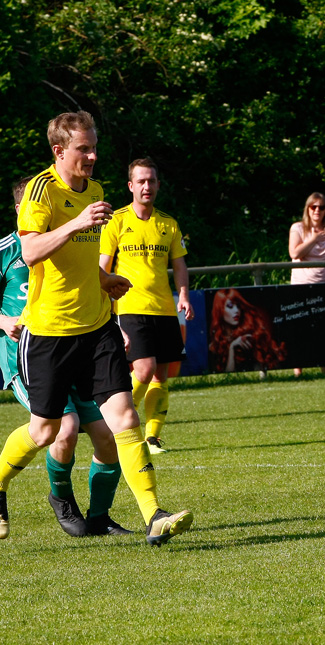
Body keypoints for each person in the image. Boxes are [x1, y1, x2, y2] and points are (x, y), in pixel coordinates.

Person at [2, 111, 193, 545]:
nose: (91, 156)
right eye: (82, 149)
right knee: (45, 431)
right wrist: (77, 223)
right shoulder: (40, 190)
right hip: (49, 332)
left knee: (124, 418)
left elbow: (82, 262)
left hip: (98, 327)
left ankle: (153, 516)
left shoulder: (99, 191)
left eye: (93, 147)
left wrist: (105, 280)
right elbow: (30, 251)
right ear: (59, 151)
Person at [0, 177, 131, 538]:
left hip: (78, 348)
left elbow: (88, 285)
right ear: (22, 209)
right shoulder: (8, 250)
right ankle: (63, 501)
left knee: (108, 435)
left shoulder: (73, 238)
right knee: (62, 429)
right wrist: (4, 321)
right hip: (27, 355)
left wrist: (111, 322)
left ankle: (101, 516)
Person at [99, 158, 193, 455]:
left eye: (151, 181)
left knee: (160, 375)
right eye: (141, 181)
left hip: (164, 308)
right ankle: (120, 421)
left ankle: (152, 438)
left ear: (158, 185)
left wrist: (184, 295)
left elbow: (179, 265)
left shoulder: (168, 223)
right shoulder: (116, 221)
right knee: (144, 369)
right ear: (130, 186)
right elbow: (102, 265)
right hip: (130, 307)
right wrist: (103, 298)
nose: (147, 186)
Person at [288, 192, 325, 376]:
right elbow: (294, 253)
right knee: (300, 330)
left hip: (324, 285)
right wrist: (314, 239)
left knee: (323, 331)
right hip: (302, 285)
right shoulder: (298, 228)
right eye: (313, 207)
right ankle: (298, 372)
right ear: (307, 209)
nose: (317, 211)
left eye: (322, 207)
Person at [208, 288, 286, 373]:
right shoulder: (215, 344)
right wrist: (232, 348)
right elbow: (228, 374)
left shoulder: (248, 337)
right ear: (220, 310)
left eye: (238, 306)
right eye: (230, 306)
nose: (236, 311)